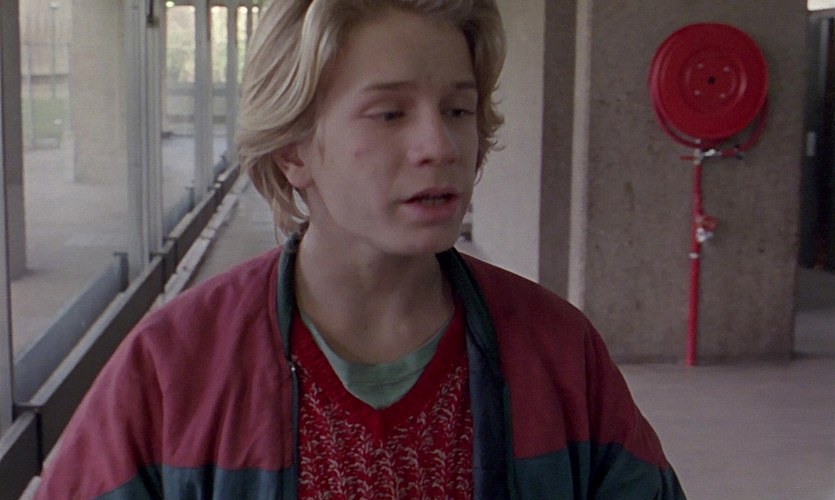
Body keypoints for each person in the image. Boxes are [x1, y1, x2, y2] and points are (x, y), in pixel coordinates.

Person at [36, 0, 686, 498]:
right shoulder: (174, 364)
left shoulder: (558, 351)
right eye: (390, 114)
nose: (439, 146)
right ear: (293, 149)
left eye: (457, 111)